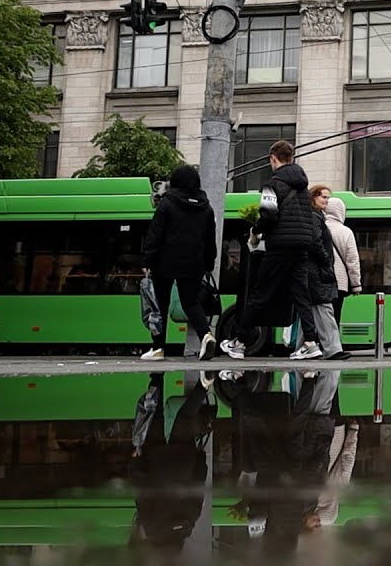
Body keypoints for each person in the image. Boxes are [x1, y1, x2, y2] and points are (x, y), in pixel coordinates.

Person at [222, 141, 323, 361]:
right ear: (291, 157)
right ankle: (311, 343)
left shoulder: (273, 184)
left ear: (273, 158)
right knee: (301, 296)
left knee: (260, 294)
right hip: (301, 247)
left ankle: (238, 342)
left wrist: (256, 231)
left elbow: (268, 215)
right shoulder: (304, 188)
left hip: (279, 247)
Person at [129, 372, 216, 554]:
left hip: (183, 462)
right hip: (156, 464)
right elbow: (143, 492)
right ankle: (157, 377)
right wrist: (137, 465)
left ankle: (203, 385)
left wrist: (200, 460)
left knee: (185, 418)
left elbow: (197, 488)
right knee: (155, 416)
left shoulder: (188, 525)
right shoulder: (152, 528)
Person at [141, 166, 218, 362]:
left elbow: (155, 234)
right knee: (191, 302)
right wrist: (209, 263)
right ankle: (206, 335)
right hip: (194, 262)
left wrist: (148, 260)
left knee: (161, 305)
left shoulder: (167, 204)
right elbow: (210, 240)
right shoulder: (206, 208)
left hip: (165, 261)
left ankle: (158, 348)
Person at [308, 186, 349, 360]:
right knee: (325, 310)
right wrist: (326, 261)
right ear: (314, 198)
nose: (326, 200)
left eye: (328, 198)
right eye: (324, 197)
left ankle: (306, 347)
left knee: (311, 312)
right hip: (318, 272)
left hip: (314, 272)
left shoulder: (315, 217)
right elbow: (316, 242)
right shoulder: (315, 218)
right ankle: (333, 349)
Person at [321, 193, 362, 325]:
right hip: (339, 283)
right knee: (334, 318)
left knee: (320, 317)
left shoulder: (317, 227)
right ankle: (332, 344)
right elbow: (352, 260)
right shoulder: (345, 231)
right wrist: (356, 284)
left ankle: (316, 343)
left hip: (320, 281)